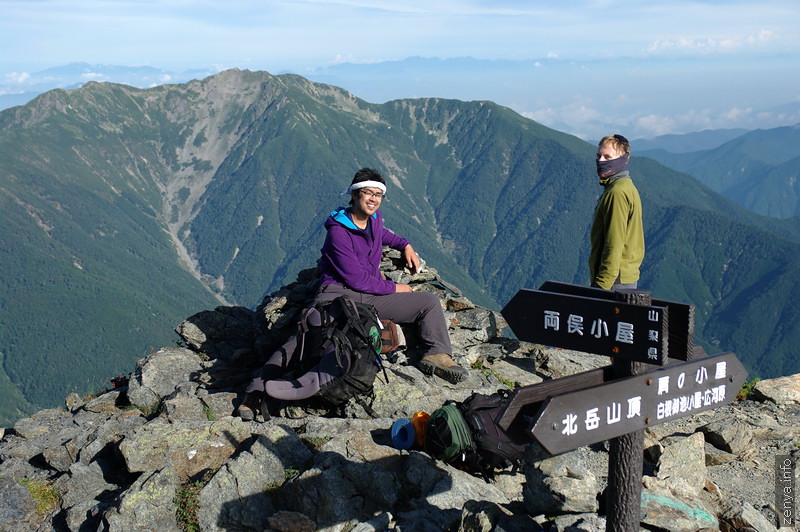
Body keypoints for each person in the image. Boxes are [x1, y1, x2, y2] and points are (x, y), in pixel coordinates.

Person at [315, 167, 468, 384]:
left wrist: (405, 244)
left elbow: (383, 235)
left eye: (378, 195)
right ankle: (435, 353)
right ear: (355, 194)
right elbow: (356, 280)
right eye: (368, 193)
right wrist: (396, 288)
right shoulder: (338, 232)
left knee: (427, 301)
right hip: (343, 295)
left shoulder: (374, 221)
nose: (373, 199)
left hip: (363, 293)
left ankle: (436, 355)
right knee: (428, 303)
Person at [588, 134, 645, 291]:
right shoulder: (625, 186)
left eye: (608, 157)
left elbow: (614, 243)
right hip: (622, 278)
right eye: (599, 156)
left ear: (624, 159)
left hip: (614, 281)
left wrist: (601, 287)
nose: (601, 161)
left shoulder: (617, 193)